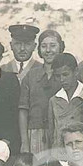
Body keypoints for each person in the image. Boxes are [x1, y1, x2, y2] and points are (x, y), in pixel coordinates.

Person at [20, 29, 65, 157]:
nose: (48, 50)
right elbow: (23, 110)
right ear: (39, 50)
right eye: (44, 46)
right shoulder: (31, 76)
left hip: (60, 134)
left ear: (60, 47)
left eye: (53, 46)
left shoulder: (66, 75)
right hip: (35, 134)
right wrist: (25, 142)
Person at [46, 52, 83, 148]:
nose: (62, 79)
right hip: (60, 152)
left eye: (65, 74)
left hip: (81, 151)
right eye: (58, 76)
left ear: (76, 71)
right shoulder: (54, 100)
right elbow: (52, 132)